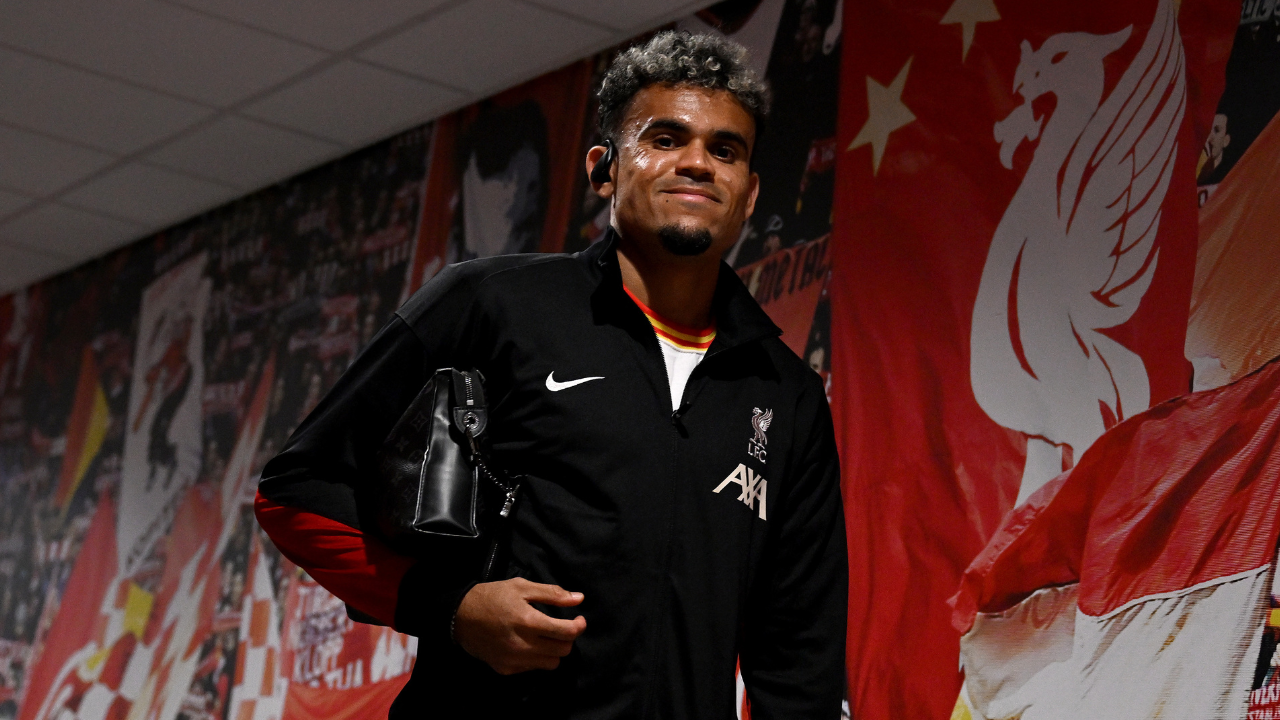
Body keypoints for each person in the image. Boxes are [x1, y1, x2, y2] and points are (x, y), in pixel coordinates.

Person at [255, 30, 847, 719]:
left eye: (725, 150)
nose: (697, 163)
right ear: (604, 170)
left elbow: (798, 649)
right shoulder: (489, 303)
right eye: (664, 139)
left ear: (748, 195)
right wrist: (450, 607)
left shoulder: (787, 394)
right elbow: (295, 492)